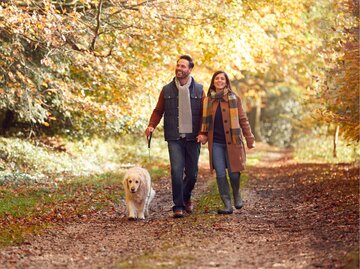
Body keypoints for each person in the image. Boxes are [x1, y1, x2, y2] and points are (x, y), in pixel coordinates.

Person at [145, 55, 205, 218]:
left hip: (193, 138)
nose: (179, 68)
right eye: (178, 65)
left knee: (192, 174)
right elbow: (158, 111)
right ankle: (178, 205)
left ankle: (186, 197)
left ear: (190, 70)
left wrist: (203, 133)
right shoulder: (167, 90)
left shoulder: (199, 90)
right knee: (177, 171)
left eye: (183, 66)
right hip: (174, 137)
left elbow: (204, 114)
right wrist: (151, 125)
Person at [197, 71, 255, 214]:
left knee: (234, 173)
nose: (219, 80)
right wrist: (202, 134)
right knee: (221, 174)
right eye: (217, 78)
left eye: (222, 78)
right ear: (213, 81)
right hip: (215, 143)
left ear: (226, 82)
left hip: (233, 142)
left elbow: (243, 120)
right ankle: (227, 205)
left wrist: (249, 139)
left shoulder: (234, 98)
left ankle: (236, 194)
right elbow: (203, 120)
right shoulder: (208, 100)